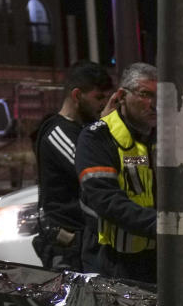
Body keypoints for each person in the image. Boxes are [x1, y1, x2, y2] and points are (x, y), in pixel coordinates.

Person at [76, 62, 159, 283]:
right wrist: (163, 224)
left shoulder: (163, 137)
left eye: (160, 97)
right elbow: (105, 200)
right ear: (122, 96)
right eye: (145, 94)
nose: (155, 104)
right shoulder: (97, 137)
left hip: (158, 260)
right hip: (111, 263)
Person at [31, 61, 114, 270]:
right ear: (77, 95)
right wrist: (102, 127)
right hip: (67, 244)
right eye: (98, 98)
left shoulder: (82, 129)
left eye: (106, 98)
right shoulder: (57, 131)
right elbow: (89, 168)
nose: (103, 105)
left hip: (85, 239)